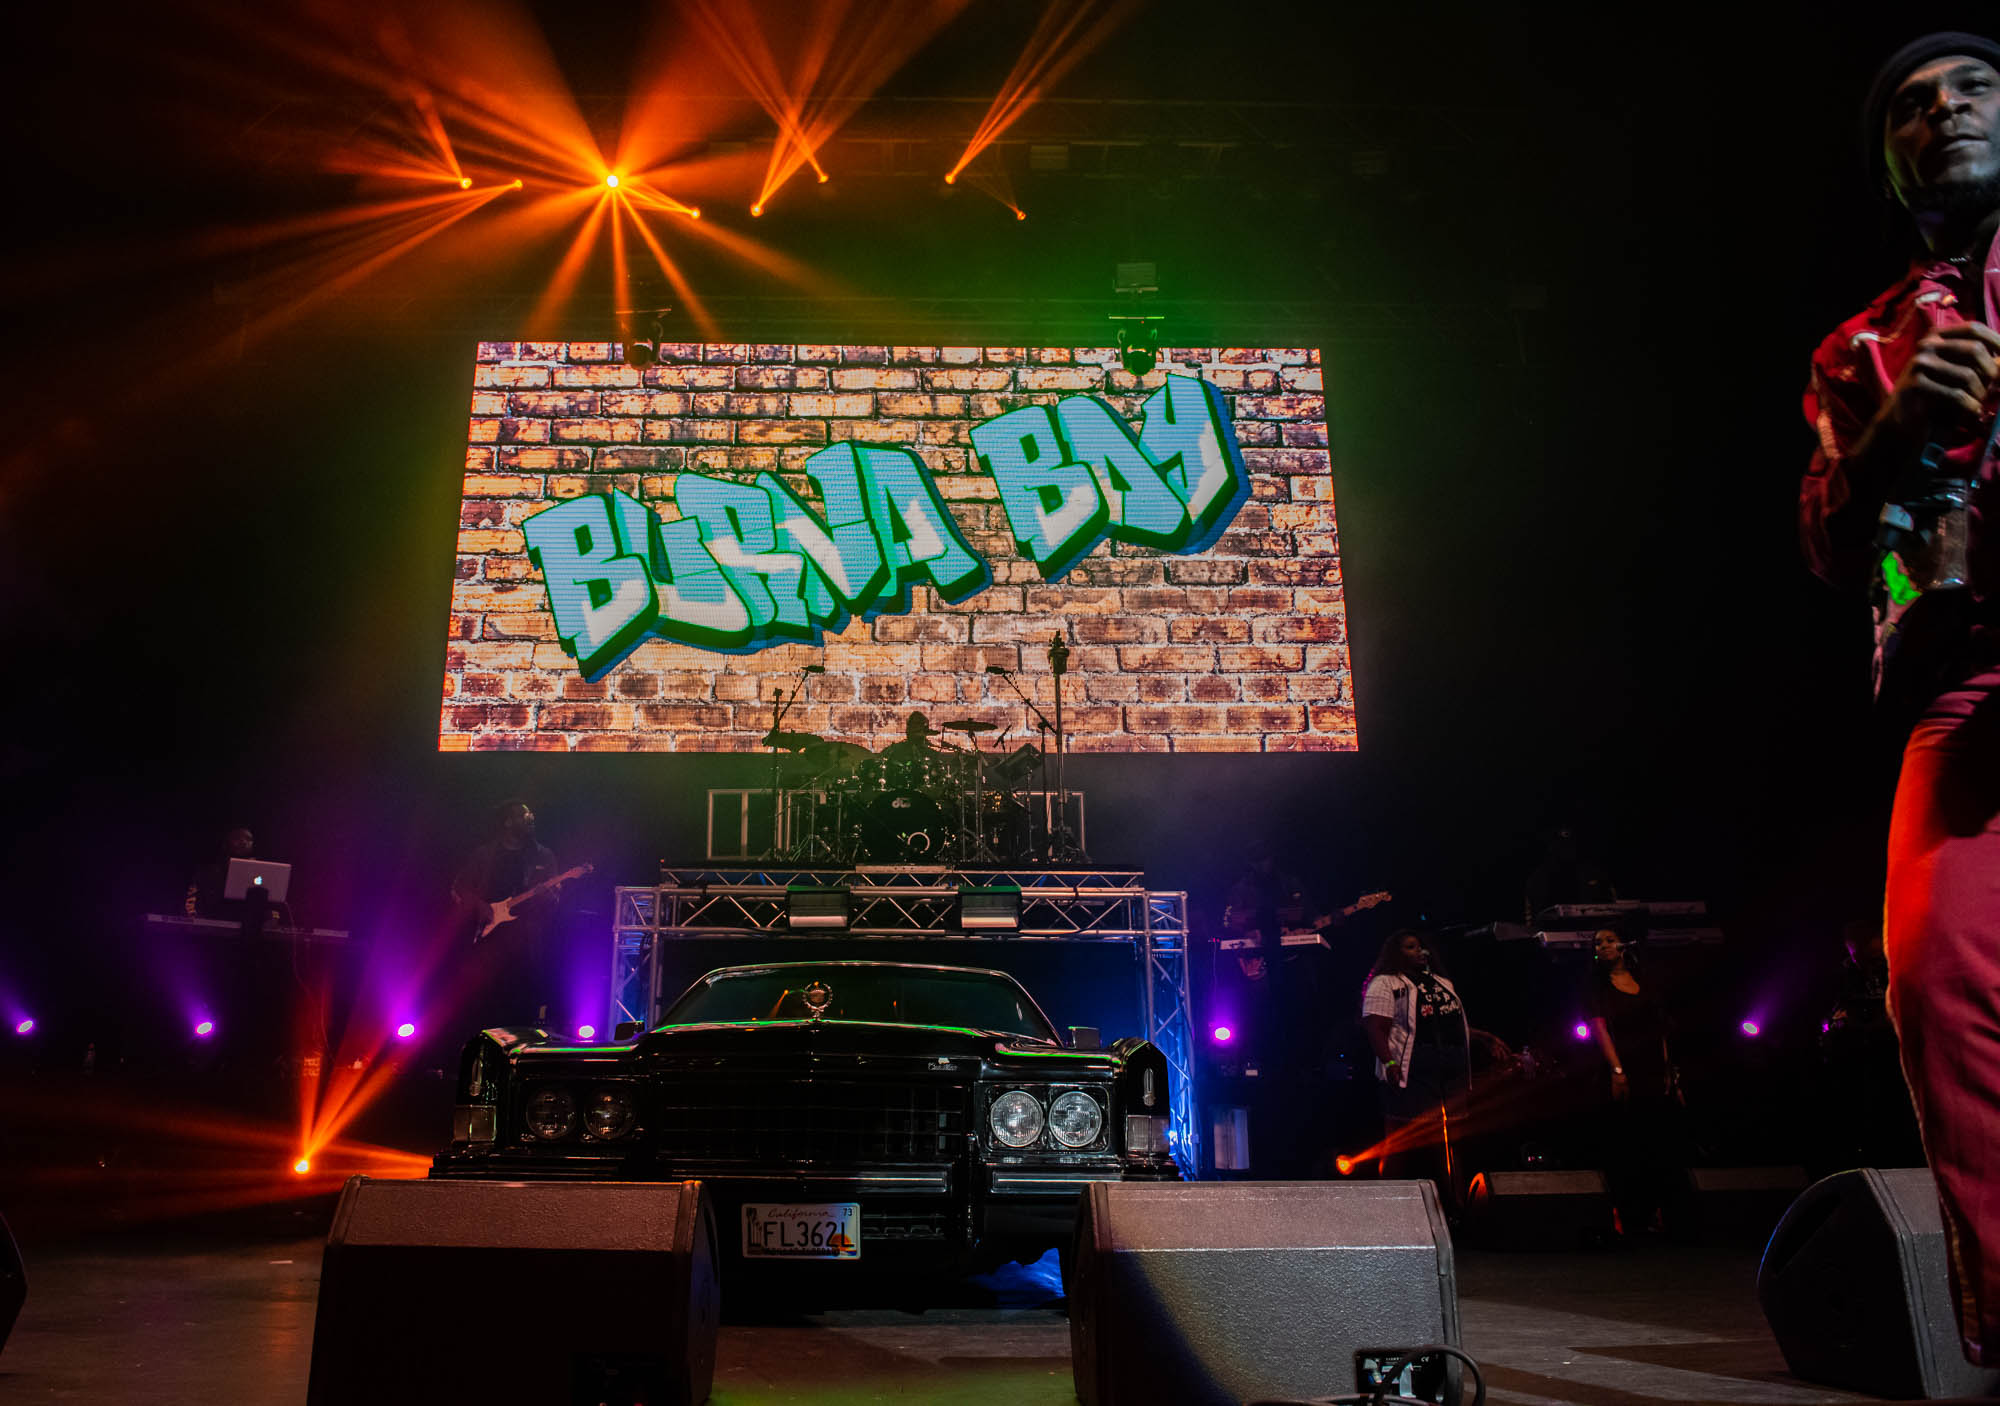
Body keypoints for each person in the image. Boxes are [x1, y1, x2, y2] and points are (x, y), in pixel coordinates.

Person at [1798, 30, 2000, 1364]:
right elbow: (1830, 543)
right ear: (1888, 162)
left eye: (1972, 88)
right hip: (1965, 678)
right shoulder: (1859, 348)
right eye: (1911, 107)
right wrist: (1889, 436)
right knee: (1937, 979)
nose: (1943, 113)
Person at [1361, 931, 1510, 1207]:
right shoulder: (1385, 983)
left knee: (1449, 1141)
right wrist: (1389, 1062)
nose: (1421, 952)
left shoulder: (1441, 982)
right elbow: (1375, 1027)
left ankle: (1455, 1206)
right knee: (1399, 1142)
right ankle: (1387, 1206)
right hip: (1411, 1073)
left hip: (1449, 1072)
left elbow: (1450, 1025)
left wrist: (1483, 1038)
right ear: (1395, 953)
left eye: (1422, 947)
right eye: (1411, 947)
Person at [1586, 928, 1685, 1238]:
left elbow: (1660, 1030)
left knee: (1659, 1141)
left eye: (1609, 940)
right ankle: (1630, 1217)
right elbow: (1600, 1029)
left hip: (1652, 1069)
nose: (1603, 946)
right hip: (1623, 1069)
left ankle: (1662, 1214)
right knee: (1628, 1142)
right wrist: (1617, 1070)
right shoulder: (1598, 987)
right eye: (1597, 943)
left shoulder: (1645, 981)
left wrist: (1670, 1071)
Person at [452, 800, 563, 1025]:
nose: (531, 818)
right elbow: (460, 887)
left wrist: (550, 895)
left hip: (527, 943)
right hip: (488, 942)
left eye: (531, 815)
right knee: (483, 1005)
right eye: (524, 815)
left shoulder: (542, 856)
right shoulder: (484, 855)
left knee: (523, 1007)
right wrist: (481, 906)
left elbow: (554, 899)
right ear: (508, 822)